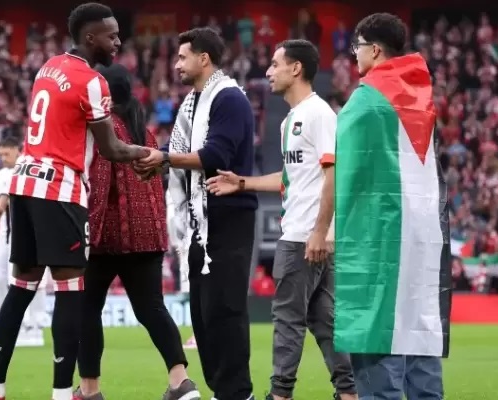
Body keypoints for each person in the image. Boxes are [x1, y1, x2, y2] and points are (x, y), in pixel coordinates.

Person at [0, 4, 150, 400]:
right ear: (90, 37)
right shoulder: (92, 81)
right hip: (59, 189)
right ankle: (60, 394)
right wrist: (151, 156)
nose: (118, 42)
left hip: (24, 182)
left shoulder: (48, 67)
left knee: (20, 288)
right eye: (111, 35)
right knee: (70, 291)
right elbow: (111, 149)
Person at [206, 39, 357, 400]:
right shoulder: (290, 119)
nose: (268, 72)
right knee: (325, 322)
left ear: (296, 68)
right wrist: (243, 183)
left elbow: (334, 173)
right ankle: (349, 393)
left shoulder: (319, 114)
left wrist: (319, 231)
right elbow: (290, 178)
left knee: (287, 320)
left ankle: (280, 395)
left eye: (275, 65)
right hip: (312, 235)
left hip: (305, 237)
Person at [134, 27, 258, 400]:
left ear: (204, 59)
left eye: (182, 56)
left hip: (227, 217)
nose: (176, 64)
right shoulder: (193, 102)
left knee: (225, 311)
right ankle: (223, 390)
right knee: (204, 317)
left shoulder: (229, 98)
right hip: (198, 220)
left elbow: (216, 155)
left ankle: (238, 393)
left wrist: (165, 158)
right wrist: (163, 164)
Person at [332, 13, 449, 400]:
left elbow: (345, 175)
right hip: (423, 239)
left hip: (378, 239)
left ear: (375, 50)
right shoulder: (423, 100)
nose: (354, 54)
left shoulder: (365, 100)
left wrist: (325, 230)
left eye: (358, 47)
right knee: (418, 334)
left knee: (376, 332)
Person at [74, 63, 199, 400]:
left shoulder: (100, 128)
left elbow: (100, 184)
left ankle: (89, 390)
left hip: (106, 236)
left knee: (87, 310)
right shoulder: (143, 131)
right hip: (148, 236)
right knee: (152, 309)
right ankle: (181, 381)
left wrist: (84, 234)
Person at [0, 136, 47, 347]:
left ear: (18, 150)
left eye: (6, 154)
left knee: (24, 281)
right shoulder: (1, 175)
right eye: (0, 154)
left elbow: (1, 206)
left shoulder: (28, 169)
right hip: (5, 236)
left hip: (26, 235)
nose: (3, 158)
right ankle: (1, 328)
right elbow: (0, 207)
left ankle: (33, 328)